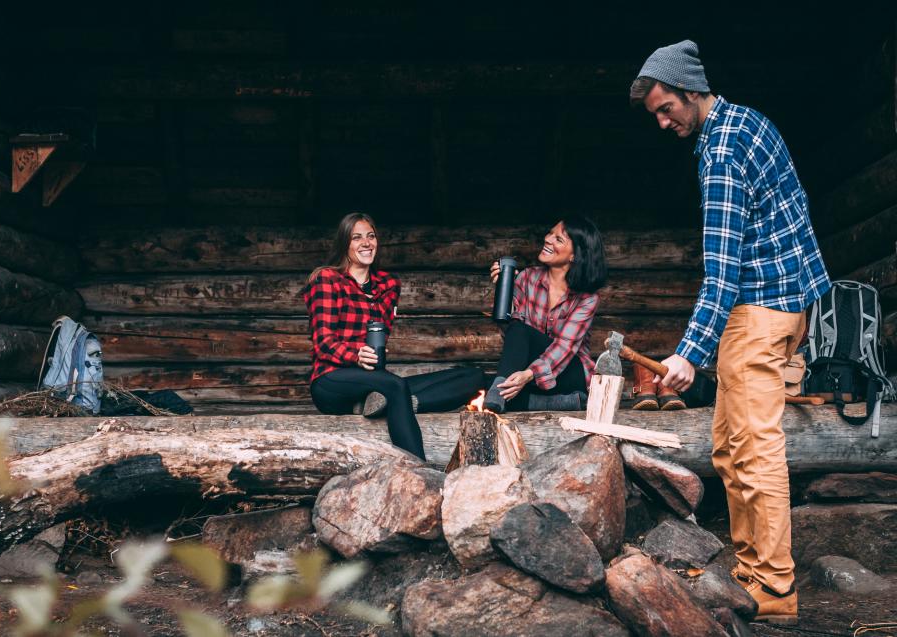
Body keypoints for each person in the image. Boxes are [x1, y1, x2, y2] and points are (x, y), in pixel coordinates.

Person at [629, 40, 831, 625]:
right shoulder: (751, 122)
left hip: (758, 311)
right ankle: (751, 573)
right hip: (787, 305)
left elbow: (722, 269)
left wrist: (690, 353)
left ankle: (772, 587)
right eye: (656, 114)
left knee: (754, 450)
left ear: (691, 89)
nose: (664, 122)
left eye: (667, 108)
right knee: (730, 444)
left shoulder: (719, 150)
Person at [303, 212, 485, 460]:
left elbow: (382, 331)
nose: (366, 243)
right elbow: (323, 342)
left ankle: (388, 403)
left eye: (371, 236)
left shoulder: (388, 284)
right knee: (395, 385)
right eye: (357, 238)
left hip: (373, 380)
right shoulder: (327, 279)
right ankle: (418, 471)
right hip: (331, 380)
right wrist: (356, 355)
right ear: (344, 243)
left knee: (474, 376)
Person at [482, 217, 607, 413]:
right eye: (550, 233)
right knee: (487, 383)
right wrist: (502, 292)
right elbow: (513, 335)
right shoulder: (526, 278)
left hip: (569, 374)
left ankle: (498, 393)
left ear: (575, 255)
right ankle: (562, 403)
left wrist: (529, 374)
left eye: (558, 239)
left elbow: (565, 347)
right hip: (531, 372)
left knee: (498, 389)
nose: (548, 239)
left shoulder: (587, 298)